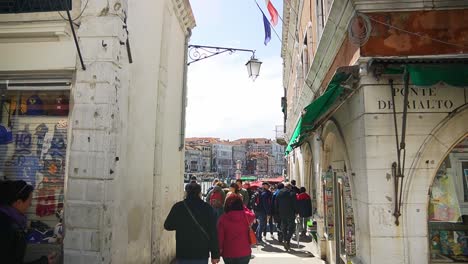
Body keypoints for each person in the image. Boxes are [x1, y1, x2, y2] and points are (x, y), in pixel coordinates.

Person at [0, 180, 57, 264]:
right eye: (29, 202)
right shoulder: (6, 228)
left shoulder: (13, 222)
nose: (30, 205)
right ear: (18, 202)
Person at [164, 182, 220, 264]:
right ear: (199, 193)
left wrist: (181, 224)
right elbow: (213, 232)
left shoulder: (178, 207)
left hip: (183, 251)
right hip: (201, 252)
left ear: (186, 193)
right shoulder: (208, 208)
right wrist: (215, 255)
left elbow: (167, 226)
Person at [217, 195, 255, 264]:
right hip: (244, 251)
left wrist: (218, 251)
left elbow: (220, 237)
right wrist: (243, 206)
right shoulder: (246, 216)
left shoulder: (223, 218)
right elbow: (252, 214)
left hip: (228, 252)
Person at [275, 183, 297, 251]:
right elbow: (295, 204)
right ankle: (288, 239)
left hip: (282, 213)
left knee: (284, 226)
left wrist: (277, 212)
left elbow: (276, 204)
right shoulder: (292, 193)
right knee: (292, 227)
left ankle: (285, 238)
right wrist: (296, 212)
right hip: (291, 213)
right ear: (289, 187)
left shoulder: (279, 193)